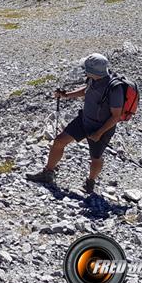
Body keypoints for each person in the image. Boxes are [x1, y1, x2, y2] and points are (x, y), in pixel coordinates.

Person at [26, 53, 124, 194]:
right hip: (84, 120)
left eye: (86, 68)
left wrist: (99, 133)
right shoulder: (93, 79)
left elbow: (116, 116)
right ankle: (48, 173)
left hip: (101, 127)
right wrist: (67, 95)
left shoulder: (115, 88)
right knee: (59, 141)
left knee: (96, 157)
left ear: (93, 71)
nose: (84, 70)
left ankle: (90, 183)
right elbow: (86, 91)